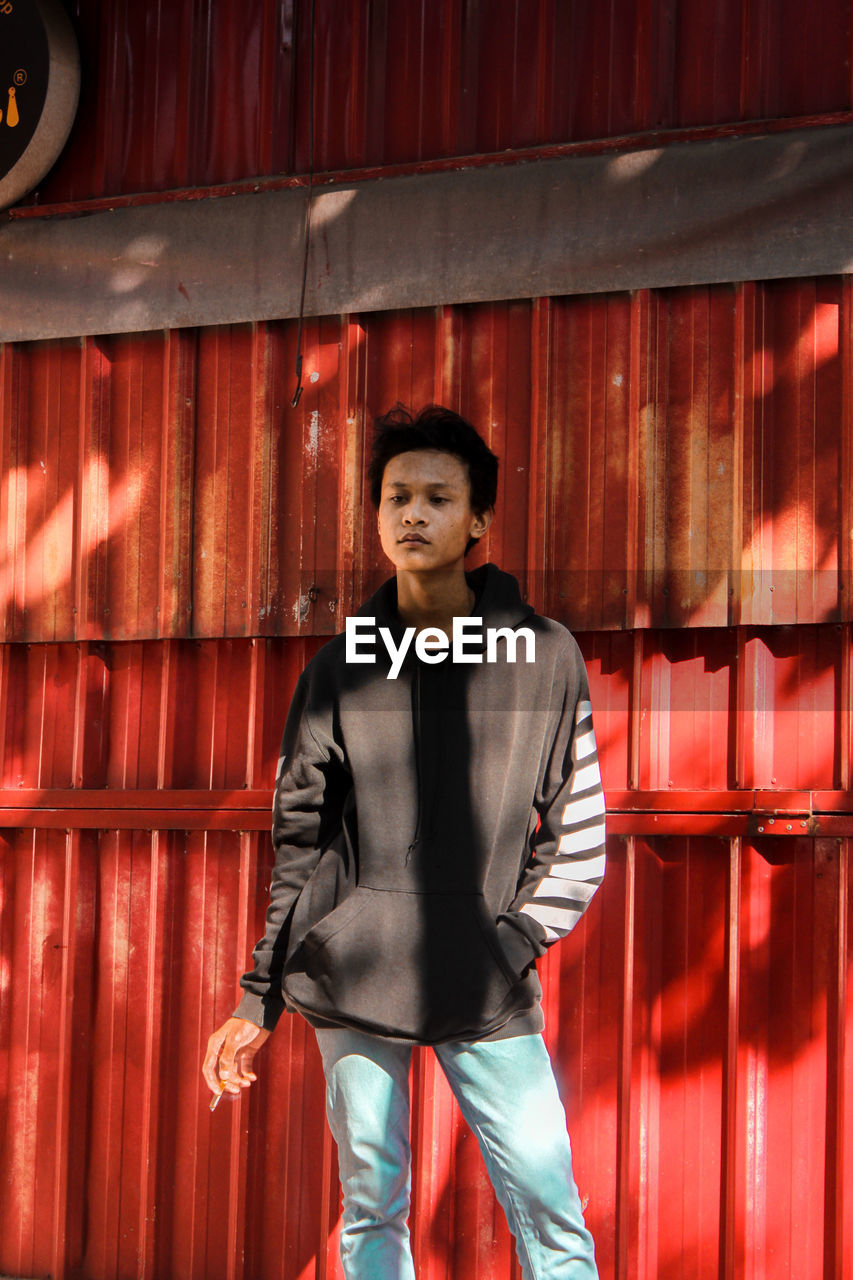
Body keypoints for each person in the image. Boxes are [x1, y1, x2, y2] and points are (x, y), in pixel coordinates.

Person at [203, 405, 605, 1279]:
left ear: (478, 520)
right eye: (395, 497)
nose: (411, 515)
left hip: (486, 982)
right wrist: (256, 997)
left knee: (551, 1212)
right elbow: (299, 849)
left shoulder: (543, 655)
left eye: (435, 497)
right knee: (371, 1209)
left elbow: (579, 834)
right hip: (353, 977)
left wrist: (507, 945)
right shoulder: (336, 670)